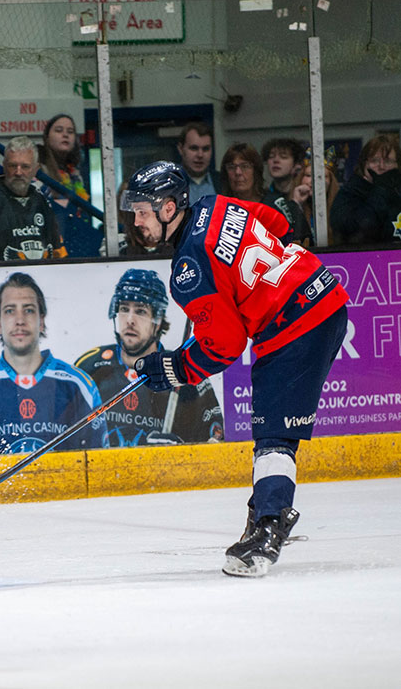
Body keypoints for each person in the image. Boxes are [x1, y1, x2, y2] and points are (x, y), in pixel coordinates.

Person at [121, 161, 349, 577]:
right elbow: (275, 221)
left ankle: (269, 528)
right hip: (323, 295)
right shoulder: (213, 205)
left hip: (297, 326)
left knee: (273, 436)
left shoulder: (188, 269)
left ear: (169, 208)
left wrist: (173, 368)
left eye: (142, 210)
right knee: (273, 428)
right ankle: (261, 513)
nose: (136, 221)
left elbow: (224, 347)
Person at [0, 272, 105, 457]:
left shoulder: (78, 386)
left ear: (42, 321)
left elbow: (98, 467)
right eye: (10, 311)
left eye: (28, 310)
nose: (19, 320)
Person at [75, 269, 223, 447]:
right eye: (124, 309)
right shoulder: (90, 367)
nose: (130, 319)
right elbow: (66, 435)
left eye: (141, 311)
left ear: (158, 320)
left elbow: (215, 444)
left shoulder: (185, 373)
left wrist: (180, 451)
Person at [0, 136, 67, 262]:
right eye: (13, 166)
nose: (18, 172)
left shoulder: (41, 200)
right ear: (4, 166)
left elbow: (58, 252)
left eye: (25, 166)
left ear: (35, 169)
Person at [36, 114, 101, 258]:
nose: (65, 135)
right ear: (47, 137)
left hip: (76, 234)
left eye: (70, 132)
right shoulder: (38, 166)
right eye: (59, 130)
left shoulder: (75, 172)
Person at [220, 142, 308, 245]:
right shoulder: (220, 209)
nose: (238, 172)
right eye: (231, 167)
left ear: (256, 171)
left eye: (245, 166)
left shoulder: (277, 205)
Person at [330, 134, 401, 246]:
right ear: (364, 164)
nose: (381, 166)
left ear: (397, 165)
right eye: (375, 161)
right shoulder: (349, 193)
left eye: (388, 161)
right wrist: (380, 190)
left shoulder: (398, 193)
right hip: (361, 259)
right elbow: (357, 230)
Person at [288, 148, 339, 248]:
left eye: (322, 176)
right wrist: (296, 204)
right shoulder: (288, 207)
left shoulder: (339, 209)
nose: (314, 181)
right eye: (308, 175)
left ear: (331, 183)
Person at [176, 122, 216, 203]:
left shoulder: (223, 182)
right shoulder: (169, 184)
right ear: (181, 149)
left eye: (205, 149)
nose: (200, 155)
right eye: (194, 148)